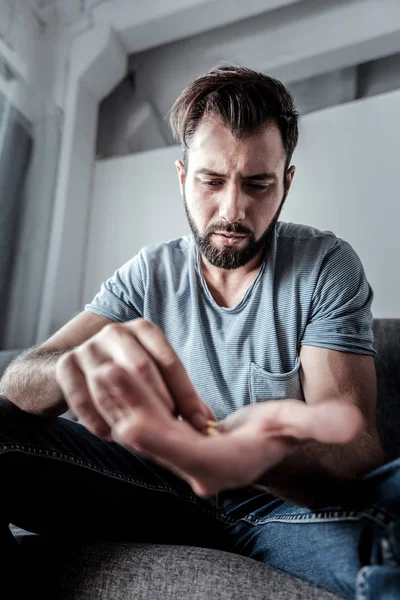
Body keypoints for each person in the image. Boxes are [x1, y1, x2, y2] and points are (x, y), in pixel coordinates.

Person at [1, 65, 399, 600]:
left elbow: (359, 449)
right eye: (212, 181)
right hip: (155, 487)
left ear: (287, 181)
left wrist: (258, 454)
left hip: (277, 506)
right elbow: (15, 388)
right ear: (183, 176)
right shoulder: (148, 273)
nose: (232, 210)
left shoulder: (326, 266)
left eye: (258, 184)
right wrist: (71, 365)